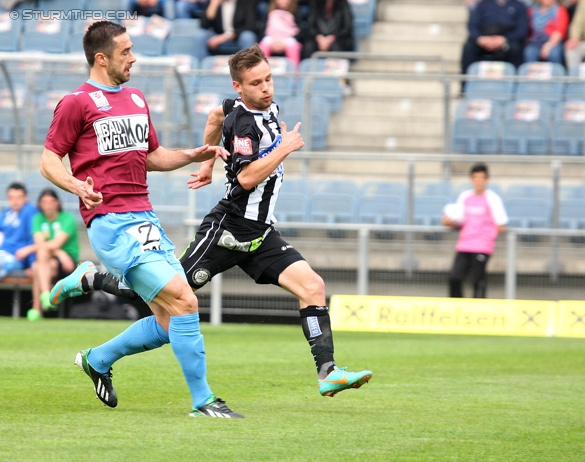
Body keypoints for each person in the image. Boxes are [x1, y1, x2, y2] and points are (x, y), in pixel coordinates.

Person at [52, 44, 373, 399]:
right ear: (239, 86)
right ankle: (90, 277)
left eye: (268, 79)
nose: (266, 88)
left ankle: (327, 372)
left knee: (312, 286)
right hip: (228, 230)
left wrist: (206, 161)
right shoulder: (244, 123)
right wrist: (284, 147)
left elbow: (213, 115)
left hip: (260, 233)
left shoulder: (240, 106)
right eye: (256, 83)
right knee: (168, 300)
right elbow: (247, 179)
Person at [39, 21, 241, 419]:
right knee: (185, 301)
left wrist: (193, 154)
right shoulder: (76, 102)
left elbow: (151, 157)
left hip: (144, 217)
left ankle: (97, 359)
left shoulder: (134, 97)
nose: (133, 58)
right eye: (126, 51)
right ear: (102, 58)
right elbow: (48, 161)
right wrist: (78, 186)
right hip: (110, 222)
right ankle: (203, 402)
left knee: (168, 321)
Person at [442, 163, 508, 299]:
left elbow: (501, 225)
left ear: (486, 180)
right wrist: (450, 222)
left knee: (478, 280)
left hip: (482, 246)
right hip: (465, 245)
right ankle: (457, 308)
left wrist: (486, 232)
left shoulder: (493, 199)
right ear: (471, 179)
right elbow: (459, 220)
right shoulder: (464, 197)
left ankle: (479, 312)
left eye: (481, 178)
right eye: (475, 178)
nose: (478, 181)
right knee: (455, 278)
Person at [27, 188, 80, 320]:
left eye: (51, 202)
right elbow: (40, 244)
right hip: (50, 261)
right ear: (40, 205)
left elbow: (56, 243)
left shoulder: (67, 219)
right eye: (45, 202)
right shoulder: (38, 219)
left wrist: (28, 249)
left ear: (58, 203)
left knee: (37, 266)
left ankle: (37, 308)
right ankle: (47, 297)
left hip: (68, 262)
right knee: (38, 265)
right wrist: (59, 252)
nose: (48, 206)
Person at [460, 0, 529, 78]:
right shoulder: (483, 4)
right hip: (484, 37)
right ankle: (465, 82)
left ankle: (515, 82)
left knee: (515, 48)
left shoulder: (519, 6)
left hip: (507, 39)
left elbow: (522, 30)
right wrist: (480, 38)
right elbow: (472, 26)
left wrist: (504, 39)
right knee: (468, 48)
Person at [0, 182, 38, 280]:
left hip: (16, 257)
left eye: (19, 197)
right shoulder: (6, 213)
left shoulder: (29, 211)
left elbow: (33, 239)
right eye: (11, 197)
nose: (14, 201)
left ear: (26, 198)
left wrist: (30, 264)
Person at [259, 0, 303, 69]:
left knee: (293, 47)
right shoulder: (269, 12)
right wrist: (274, 42)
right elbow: (263, 29)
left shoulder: (296, 13)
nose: (283, 1)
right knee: (263, 46)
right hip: (271, 37)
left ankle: (295, 73)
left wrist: (283, 43)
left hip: (288, 38)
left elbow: (299, 30)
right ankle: (261, 71)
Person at [523, 0, 570, 65]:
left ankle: (555, 74)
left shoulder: (560, 10)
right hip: (535, 42)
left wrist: (548, 46)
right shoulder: (532, 10)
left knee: (554, 53)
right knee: (529, 52)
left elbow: (559, 32)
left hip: (554, 42)